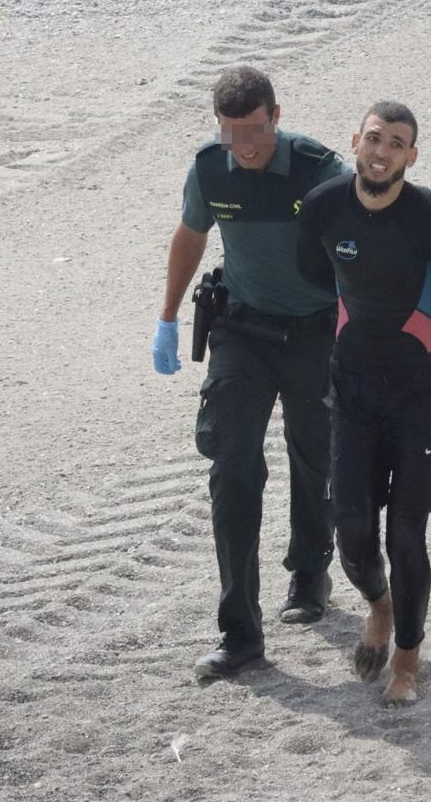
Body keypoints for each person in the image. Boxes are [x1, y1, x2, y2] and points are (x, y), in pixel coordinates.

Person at [296, 101, 431, 706]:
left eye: (397, 143)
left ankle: (406, 664)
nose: (382, 152)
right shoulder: (324, 206)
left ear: (412, 157)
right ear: (356, 141)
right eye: (375, 138)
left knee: (406, 533)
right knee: (352, 531)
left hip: (423, 391)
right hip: (354, 382)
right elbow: (312, 272)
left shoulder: (430, 217)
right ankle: (379, 608)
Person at [151, 66, 348, 679]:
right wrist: (167, 318)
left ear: (277, 116)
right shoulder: (211, 169)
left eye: (256, 130)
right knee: (233, 468)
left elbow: (358, 253)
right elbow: (190, 235)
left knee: (313, 455)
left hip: (316, 331)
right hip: (243, 328)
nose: (246, 145)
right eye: (233, 131)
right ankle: (239, 632)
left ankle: (310, 571)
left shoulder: (322, 172)